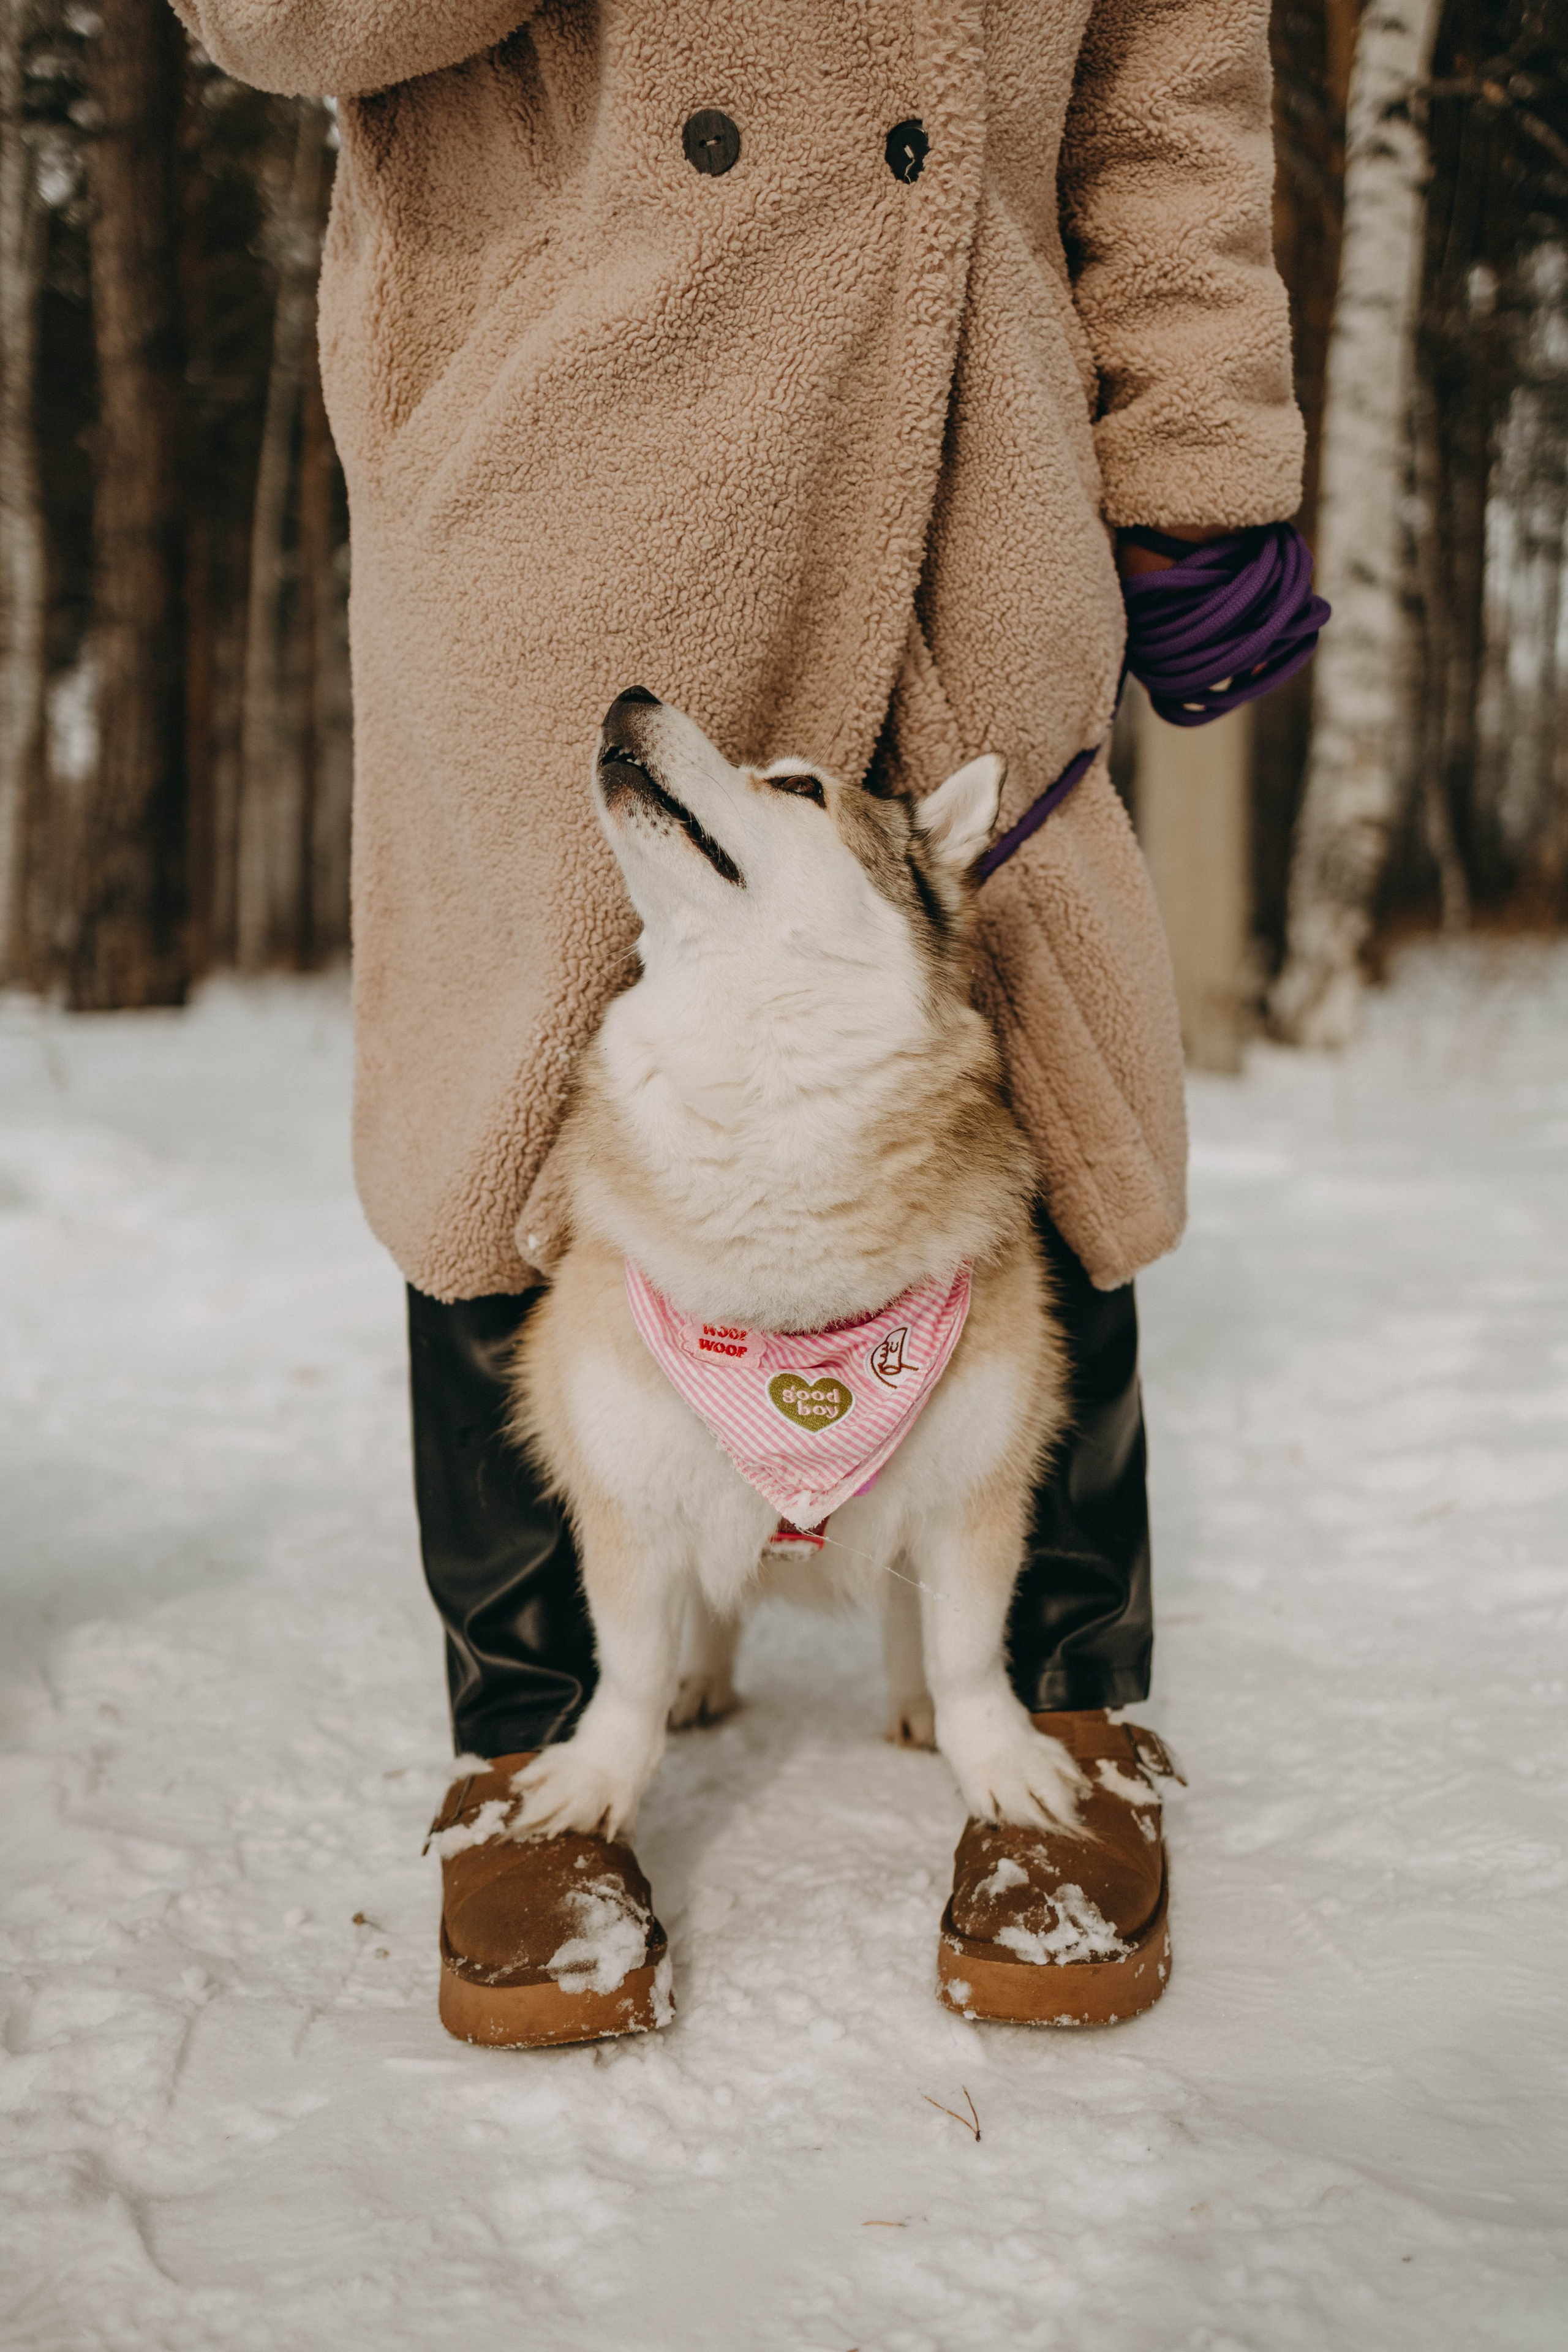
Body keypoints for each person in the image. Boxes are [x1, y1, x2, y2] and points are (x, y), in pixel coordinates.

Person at [173, 0, 1303, 2042]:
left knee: (1032, 1038)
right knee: (514, 1085)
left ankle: (1060, 1705)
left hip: (971, 458)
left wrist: (1196, 434)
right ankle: (540, 1743)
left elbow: (1171, 65)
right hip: (568, 453)